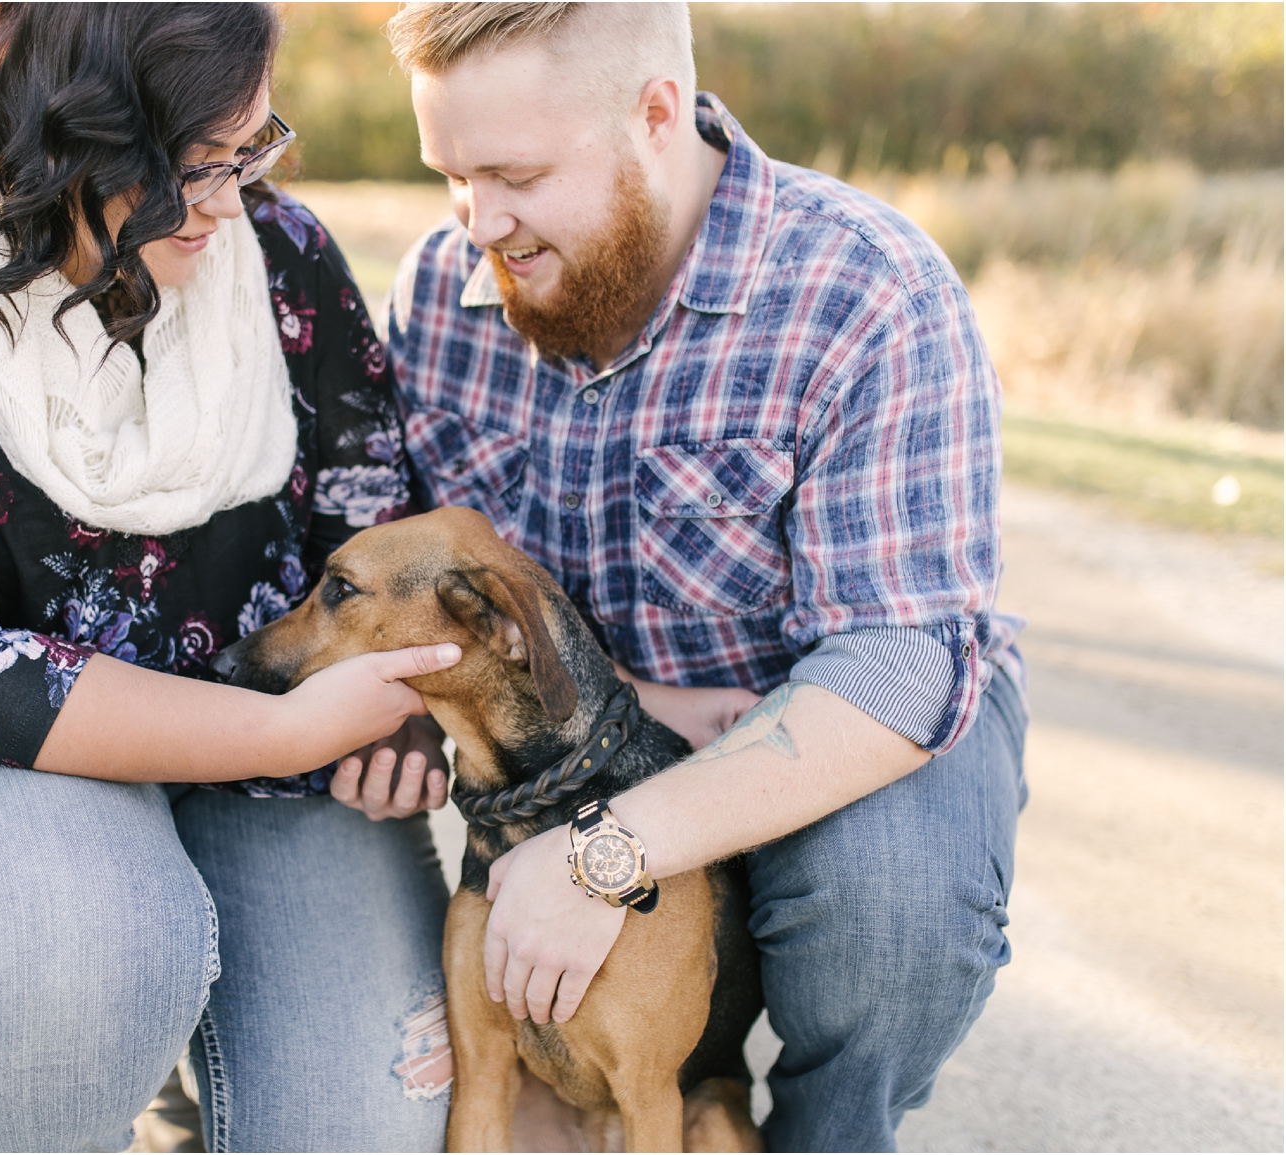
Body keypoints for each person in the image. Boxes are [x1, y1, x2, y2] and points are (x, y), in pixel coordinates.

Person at [0, 5, 474, 1150]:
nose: (235, 200)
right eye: (198, 167)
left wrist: (392, 710)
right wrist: (293, 736)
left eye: (253, 151)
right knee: (77, 962)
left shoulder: (282, 258)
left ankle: (188, 1074)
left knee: (357, 1128)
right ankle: (107, 1070)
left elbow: (370, 517)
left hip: (272, 748)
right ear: (71, 140)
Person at [381, 4, 1025, 1149]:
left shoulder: (863, 290)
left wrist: (602, 857)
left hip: (833, 726)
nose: (480, 220)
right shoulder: (440, 299)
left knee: (889, 914)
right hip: (600, 725)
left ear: (657, 115)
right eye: (451, 177)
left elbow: (900, 665)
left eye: (515, 173)